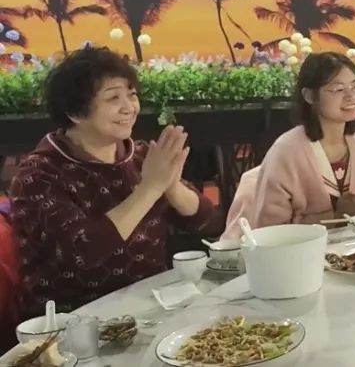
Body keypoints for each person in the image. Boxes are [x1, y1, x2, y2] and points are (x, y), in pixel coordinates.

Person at [9, 47, 220, 316]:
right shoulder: (38, 175)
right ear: (75, 112)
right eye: (113, 98)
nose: (129, 107)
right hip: (73, 320)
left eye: (132, 95)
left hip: (152, 306)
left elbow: (209, 224)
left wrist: (171, 187)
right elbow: (83, 254)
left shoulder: (141, 155)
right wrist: (150, 188)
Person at [253, 52, 355, 227]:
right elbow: (270, 230)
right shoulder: (285, 152)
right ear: (309, 96)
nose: (351, 96)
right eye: (338, 89)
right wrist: (337, 217)